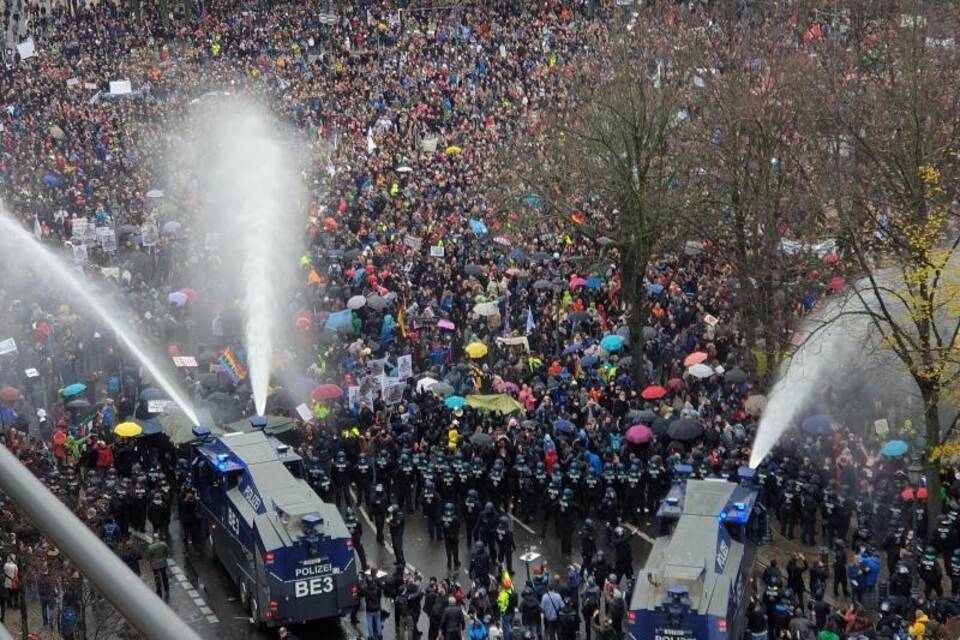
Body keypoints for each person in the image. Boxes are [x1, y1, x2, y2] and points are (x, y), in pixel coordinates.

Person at [360, 570, 384, 640]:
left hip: (369, 609)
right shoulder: (377, 589)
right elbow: (381, 592)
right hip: (377, 608)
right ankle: (379, 636)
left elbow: (361, 589)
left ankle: (370, 637)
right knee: (378, 622)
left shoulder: (366, 590)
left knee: (369, 623)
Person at [146, 533, 170, 601]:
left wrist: (151, 561)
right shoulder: (163, 544)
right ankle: (166, 588)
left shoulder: (150, 547)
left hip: (155, 565)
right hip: (163, 563)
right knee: (164, 576)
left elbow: (148, 557)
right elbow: (167, 552)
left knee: (156, 577)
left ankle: (159, 590)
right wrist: (164, 557)